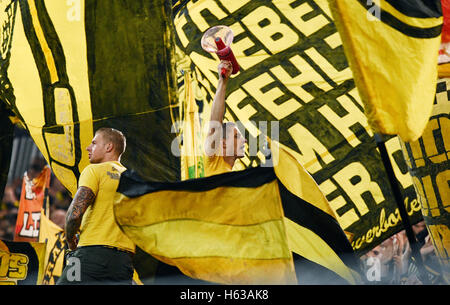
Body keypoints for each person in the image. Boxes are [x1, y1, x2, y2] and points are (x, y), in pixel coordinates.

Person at [57, 127, 135, 285]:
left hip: (89, 255)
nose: (88, 147)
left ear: (109, 147)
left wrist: (71, 242)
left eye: (94, 143)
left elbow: (74, 215)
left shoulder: (94, 170)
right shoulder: (133, 179)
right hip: (123, 262)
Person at [204, 60, 246, 176]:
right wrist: (222, 82)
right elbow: (215, 123)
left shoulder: (234, 177)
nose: (245, 140)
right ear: (223, 144)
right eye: (237, 136)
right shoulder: (214, 159)